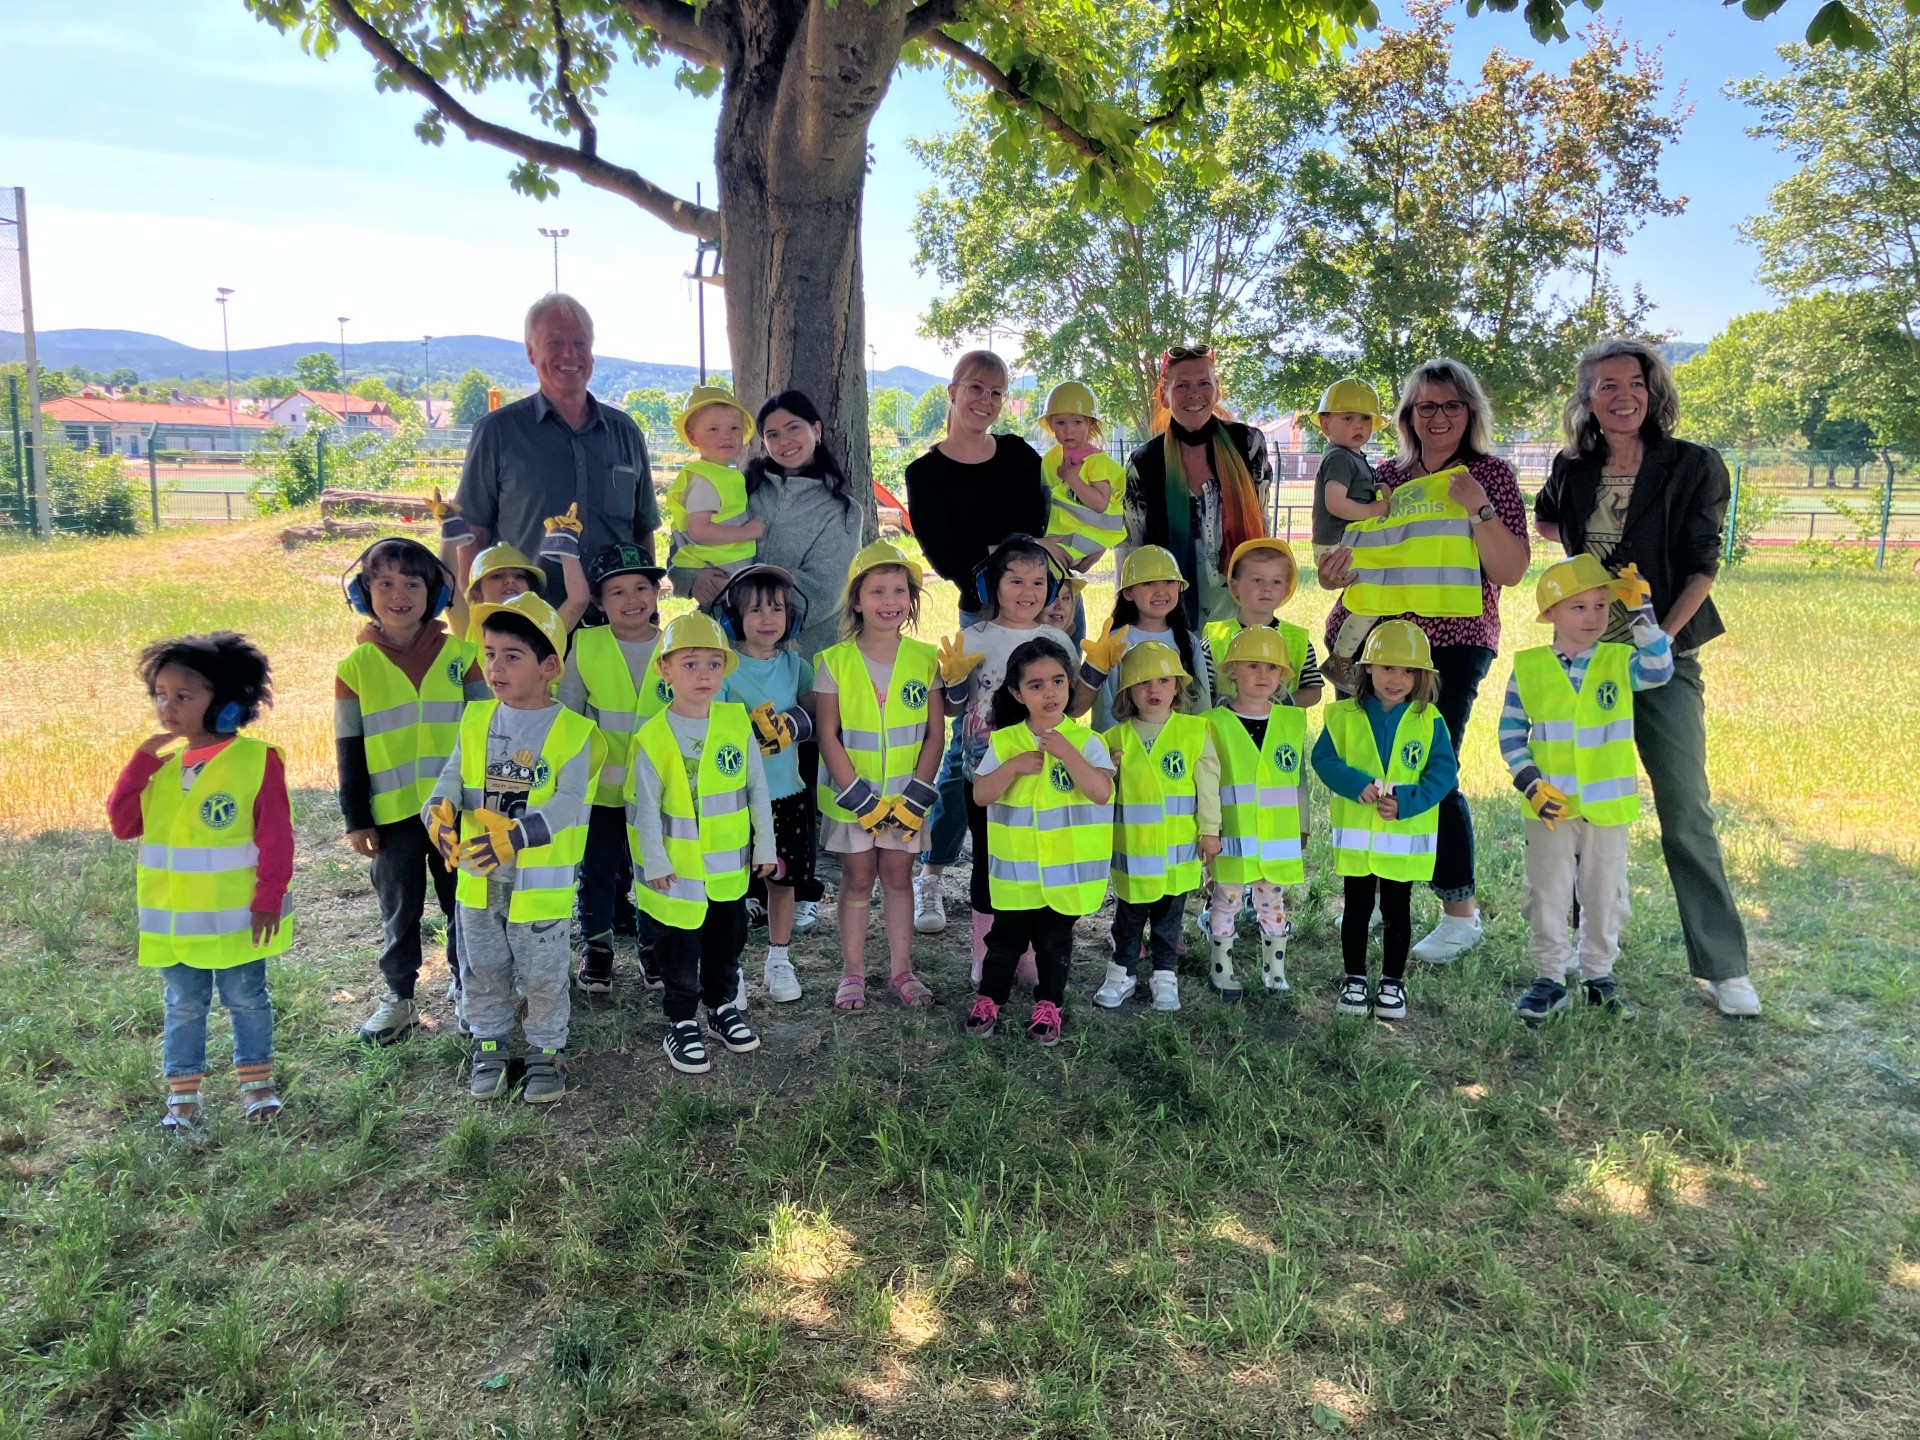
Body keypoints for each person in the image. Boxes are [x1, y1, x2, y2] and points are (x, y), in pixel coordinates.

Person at [1534, 337, 1760, 1018]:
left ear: (1653, 391)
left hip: (1663, 659)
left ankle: (1724, 966)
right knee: (1570, 803)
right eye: (1605, 385)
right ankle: (1573, 955)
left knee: (1685, 806)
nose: (1621, 395)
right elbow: (1550, 519)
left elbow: (1703, 563)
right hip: (1580, 661)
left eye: (1633, 383)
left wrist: (1659, 633)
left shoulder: (1693, 465)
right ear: (1587, 398)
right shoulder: (1573, 467)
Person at [1316, 358, 1529, 965]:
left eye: (1451, 406)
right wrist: (1337, 571)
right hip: (1373, 645)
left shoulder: (1490, 475)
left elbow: (1510, 571)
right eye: (1426, 406)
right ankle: (1387, 893)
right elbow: (1361, 561)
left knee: (1434, 769)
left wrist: (1479, 507)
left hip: (1453, 647)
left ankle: (1460, 911)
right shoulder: (1384, 477)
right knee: (1371, 763)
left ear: (1471, 413)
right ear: (1409, 416)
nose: (1438, 417)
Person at [108, 632, 291, 1128]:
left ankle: (258, 1087)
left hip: (238, 921)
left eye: (183, 696)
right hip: (176, 927)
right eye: (160, 695)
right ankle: (183, 1099)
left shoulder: (257, 762)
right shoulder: (160, 770)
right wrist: (139, 764)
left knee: (247, 1000)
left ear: (229, 703)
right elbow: (123, 824)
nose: (167, 707)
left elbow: (277, 839)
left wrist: (268, 898)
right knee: (183, 1006)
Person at [426, 593, 601, 1104]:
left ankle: (547, 1052)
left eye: (511, 656)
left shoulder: (575, 732)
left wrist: (516, 836)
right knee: (483, 970)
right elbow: (450, 782)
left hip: (538, 890)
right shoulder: (476, 719)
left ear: (549, 666)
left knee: (544, 975)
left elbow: (568, 803)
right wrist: (436, 815)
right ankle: (490, 1047)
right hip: (479, 883)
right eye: (489, 653)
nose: (494, 666)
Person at [904, 351, 1050, 935]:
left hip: (1039, 602)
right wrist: (996, 563)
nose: (985, 401)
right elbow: (945, 553)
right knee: (971, 746)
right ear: (952, 390)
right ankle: (934, 874)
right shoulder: (925, 473)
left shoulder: (1018, 455)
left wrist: (1008, 562)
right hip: (980, 610)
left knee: (1040, 730)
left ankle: (1024, 868)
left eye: (996, 392)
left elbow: (1031, 530)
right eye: (975, 388)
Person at [1502, 557, 1670, 1024]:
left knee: (1605, 894)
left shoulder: (1620, 661)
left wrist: (1643, 615)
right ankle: (1549, 979)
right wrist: (1530, 784)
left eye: (1600, 606)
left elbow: (1660, 670)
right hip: (1549, 811)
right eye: (1578, 607)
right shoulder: (1529, 668)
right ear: (1551, 614)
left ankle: (1599, 976)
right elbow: (1511, 735)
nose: (1593, 616)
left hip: (1607, 809)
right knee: (1548, 894)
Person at [334, 537, 486, 1045]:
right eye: (385, 584)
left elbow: (486, 734)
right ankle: (398, 997)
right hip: (393, 814)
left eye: (413, 584)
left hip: (456, 813)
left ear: (438, 596)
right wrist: (356, 817)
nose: (399, 595)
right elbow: (349, 747)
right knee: (400, 908)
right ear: (363, 594)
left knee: (462, 903)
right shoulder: (354, 669)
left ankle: (468, 987)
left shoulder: (464, 658)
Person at [626, 613, 778, 1075]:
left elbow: (756, 789)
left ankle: (721, 1008)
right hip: (676, 872)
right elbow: (643, 808)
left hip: (728, 870)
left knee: (725, 943)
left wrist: (766, 847)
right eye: (690, 664)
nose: (704, 674)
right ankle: (681, 1020)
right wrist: (653, 860)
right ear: (665, 671)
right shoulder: (652, 736)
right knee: (678, 948)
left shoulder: (735, 723)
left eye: (714, 664)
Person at [934, 536, 1088, 986]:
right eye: (1015, 579)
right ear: (990, 586)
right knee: (988, 862)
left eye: (1038, 582)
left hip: (1044, 772)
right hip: (985, 771)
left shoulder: (1058, 638)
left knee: (1033, 860)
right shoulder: (974, 636)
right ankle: (986, 951)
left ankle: (1025, 953)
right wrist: (956, 680)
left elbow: (1072, 707)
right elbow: (955, 707)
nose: (1028, 590)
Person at [452, 293, 658, 596]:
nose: (569, 354)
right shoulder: (497, 433)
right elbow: (474, 535)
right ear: (531, 352)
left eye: (580, 344)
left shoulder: (625, 432)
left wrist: (646, 606)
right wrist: (481, 614)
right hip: (528, 625)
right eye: (555, 343)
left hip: (615, 626)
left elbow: (642, 533)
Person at [814, 542, 943, 1011]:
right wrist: (860, 801)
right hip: (857, 801)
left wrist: (916, 797)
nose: (889, 601)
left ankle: (901, 971)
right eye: (877, 591)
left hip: (907, 801)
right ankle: (852, 973)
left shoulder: (927, 659)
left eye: (899, 591)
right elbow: (828, 736)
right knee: (856, 879)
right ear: (855, 600)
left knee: (898, 877)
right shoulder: (833, 661)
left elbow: (934, 735)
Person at [967, 638, 1116, 1045]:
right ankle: (989, 999)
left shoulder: (1087, 743)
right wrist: (1012, 767)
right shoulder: (1005, 742)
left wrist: (1068, 753)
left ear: (1070, 684)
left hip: (1064, 877)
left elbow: (1101, 792)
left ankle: (1050, 1003)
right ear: (1016, 693)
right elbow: (981, 795)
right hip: (1018, 875)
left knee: (1055, 945)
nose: (1049, 693)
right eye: (1035, 685)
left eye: (1057, 681)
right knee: (1003, 943)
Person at [1311, 622, 1459, 1022]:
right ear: (1368, 668)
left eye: (1408, 671)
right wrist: (1355, 783)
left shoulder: (1431, 722)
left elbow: (1444, 773)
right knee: (1357, 908)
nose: (1397, 679)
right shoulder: (1342, 715)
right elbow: (1323, 759)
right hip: (1358, 841)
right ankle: (1354, 978)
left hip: (1402, 839)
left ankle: (1392, 981)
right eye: (1388, 668)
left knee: (1398, 910)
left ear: (1422, 677)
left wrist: (1408, 802)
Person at [558, 543, 670, 994]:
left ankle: (653, 943)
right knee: (599, 869)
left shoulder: (675, 646)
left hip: (660, 790)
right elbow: (566, 717)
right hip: (601, 792)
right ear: (600, 603)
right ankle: (597, 945)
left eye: (642, 586)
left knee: (653, 867)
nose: (632, 599)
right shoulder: (586, 645)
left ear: (658, 593)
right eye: (617, 591)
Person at [716, 564, 818, 1006]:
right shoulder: (724, 669)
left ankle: (779, 958)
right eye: (755, 609)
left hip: (787, 794)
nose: (767, 618)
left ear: (791, 617)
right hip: (738, 798)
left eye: (777, 608)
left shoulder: (797, 666)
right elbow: (711, 728)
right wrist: (745, 732)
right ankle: (730, 967)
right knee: (735, 885)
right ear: (733, 618)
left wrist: (794, 723)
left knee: (783, 880)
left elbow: (818, 719)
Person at [1096, 642, 1216, 1013]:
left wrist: (1211, 830)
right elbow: (1098, 794)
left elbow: (1208, 785)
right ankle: (1122, 972)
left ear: (1177, 687)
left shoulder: (1195, 732)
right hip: (1131, 856)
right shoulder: (1113, 740)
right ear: (1127, 691)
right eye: (1143, 682)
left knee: (1169, 923)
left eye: (1163, 680)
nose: (1153, 690)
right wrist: (1108, 769)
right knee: (1127, 920)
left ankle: (1165, 976)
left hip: (1175, 858)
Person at [1122, 344, 1271, 627]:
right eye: (1182, 386)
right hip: (1169, 610)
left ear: (1217, 389)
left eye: (1204, 383)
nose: (1194, 394)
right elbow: (1132, 548)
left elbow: (1263, 524)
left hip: (1242, 604)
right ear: (1164, 396)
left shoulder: (1249, 445)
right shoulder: (1144, 462)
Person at [1203, 627, 1308, 999]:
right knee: (1226, 900)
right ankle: (1222, 970)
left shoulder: (1291, 722)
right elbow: (1208, 783)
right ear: (1231, 671)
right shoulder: (1213, 723)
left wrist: (1304, 825)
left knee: (1272, 903)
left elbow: (1298, 780)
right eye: (1252, 665)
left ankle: (1275, 972)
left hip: (1277, 840)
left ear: (1283, 675)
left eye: (1272, 668)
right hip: (1233, 836)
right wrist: (1209, 830)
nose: (1263, 675)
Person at [1079, 544, 1215, 732]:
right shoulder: (1116, 641)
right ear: (1128, 592)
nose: (1161, 591)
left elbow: (1201, 703)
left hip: (1178, 746)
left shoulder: (1189, 641)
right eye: (1149, 583)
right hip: (1129, 749)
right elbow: (1106, 707)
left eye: (1168, 581)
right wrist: (1110, 748)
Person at [664, 386, 762, 603]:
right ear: (692, 436)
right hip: (718, 573)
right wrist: (746, 532)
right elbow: (699, 530)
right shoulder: (704, 480)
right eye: (713, 429)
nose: (726, 436)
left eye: (734, 428)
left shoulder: (721, 475)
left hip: (727, 568)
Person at [1038, 381, 1127, 572]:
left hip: (1087, 539)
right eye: (1061, 422)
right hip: (1059, 538)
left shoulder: (1096, 461)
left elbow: (1100, 503)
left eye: (1077, 422)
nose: (1069, 430)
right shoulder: (1050, 459)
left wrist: (1073, 479)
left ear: (1090, 423)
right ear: (1050, 424)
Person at [454, 528, 589, 640]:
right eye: (497, 576)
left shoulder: (542, 626)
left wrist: (566, 550)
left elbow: (578, 600)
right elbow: (446, 588)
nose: (510, 581)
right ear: (477, 592)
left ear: (531, 588)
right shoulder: (469, 626)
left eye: (519, 576)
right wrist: (448, 539)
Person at [1311, 378, 1389, 567]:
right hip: (1338, 545)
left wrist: (1375, 487)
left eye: (1366, 418)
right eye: (1348, 418)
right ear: (1325, 424)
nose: (1358, 425)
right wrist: (1372, 510)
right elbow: (1336, 503)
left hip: (1346, 540)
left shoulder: (1354, 457)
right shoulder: (1340, 457)